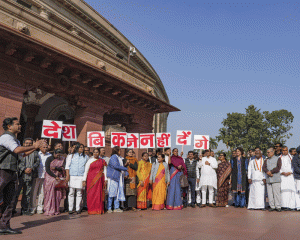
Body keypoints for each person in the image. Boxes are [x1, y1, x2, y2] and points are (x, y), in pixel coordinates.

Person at [0, 117, 45, 235]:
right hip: (2, 171)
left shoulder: (15, 140)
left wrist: (36, 147)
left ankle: (4, 226)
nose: (19, 126)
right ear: (9, 126)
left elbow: (22, 153)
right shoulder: (6, 137)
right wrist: (34, 146)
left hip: (11, 172)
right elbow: (17, 150)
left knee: (9, 200)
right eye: (17, 124)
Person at [13, 138, 40, 216]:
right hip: (20, 175)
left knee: (27, 193)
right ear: (23, 143)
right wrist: (24, 169)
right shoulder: (19, 152)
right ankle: (13, 209)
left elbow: (37, 162)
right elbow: (17, 162)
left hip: (30, 175)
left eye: (30, 143)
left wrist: (32, 168)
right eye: (27, 143)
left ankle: (24, 209)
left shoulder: (35, 152)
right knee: (16, 193)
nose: (28, 144)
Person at [82, 148, 107, 215]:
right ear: (93, 153)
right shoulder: (90, 161)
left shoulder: (102, 161)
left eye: (97, 152)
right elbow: (86, 171)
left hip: (99, 181)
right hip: (91, 181)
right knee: (91, 194)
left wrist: (106, 179)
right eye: (94, 152)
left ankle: (99, 210)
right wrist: (84, 180)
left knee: (99, 194)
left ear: (99, 153)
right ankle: (91, 209)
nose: (96, 154)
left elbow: (105, 170)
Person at [65, 144, 89, 214]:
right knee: (71, 192)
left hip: (81, 176)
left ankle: (78, 208)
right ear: (77, 148)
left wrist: (84, 179)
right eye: (81, 147)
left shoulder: (86, 157)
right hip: (72, 176)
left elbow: (86, 168)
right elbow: (67, 166)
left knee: (79, 193)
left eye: (82, 148)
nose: (82, 149)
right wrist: (67, 176)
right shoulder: (71, 156)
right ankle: (70, 208)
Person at [43, 149, 66, 216]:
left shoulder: (61, 159)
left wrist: (57, 168)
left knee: (57, 194)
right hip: (50, 178)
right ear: (54, 153)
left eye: (59, 155)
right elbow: (47, 169)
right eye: (57, 154)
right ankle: (49, 209)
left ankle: (56, 209)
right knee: (49, 194)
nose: (58, 156)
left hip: (58, 178)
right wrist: (54, 176)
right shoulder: (49, 158)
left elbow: (63, 168)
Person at [107, 146, 128, 213]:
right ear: (117, 151)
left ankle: (116, 207)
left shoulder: (119, 158)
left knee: (117, 193)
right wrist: (125, 169)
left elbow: (120, 166)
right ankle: (109, 208)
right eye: (119, 150)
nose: (120, 152)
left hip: (118, 177)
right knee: (112, 193)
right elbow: (115, 166)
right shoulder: (113, 157)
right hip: (113, 177)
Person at [31, 143, 51, 214]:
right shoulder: (37, 154)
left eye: (46, 147)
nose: (45, 148)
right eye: (43, 147)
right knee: (34, 192)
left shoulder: (49, 155)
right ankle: (33, 207)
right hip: (37, 175)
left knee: (42, 192)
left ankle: (40, 207)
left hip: (45, 176)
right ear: (40, 148)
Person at [262, 148, 282, 212]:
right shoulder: (266, 160)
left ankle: (278, 206)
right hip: (269, 179)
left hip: (275, 178)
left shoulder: (278, 158)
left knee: (276, 193)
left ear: (272, 152)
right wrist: (267, 172)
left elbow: (278, 167)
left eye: (269, 152)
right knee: (270, 194)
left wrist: (271, 172)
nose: (267, 154)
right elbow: (264, 167)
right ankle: (272, 206)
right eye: (267, 152)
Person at [279, 146, 296, 211]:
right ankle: (283, 205)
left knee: (290, 190)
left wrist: (290, 172)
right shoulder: (279, 158)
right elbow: (278, 167)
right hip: (282, 176)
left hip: (290, 176)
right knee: (283, 191)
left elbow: (294, 167)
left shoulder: (291, 158)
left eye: (285, 150)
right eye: (283, 150)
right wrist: (282, 172)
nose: (284, 152)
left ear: (287, 150)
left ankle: (290, 205)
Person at [292, 146, 300, 211]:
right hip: (298, 178)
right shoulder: (295, 158)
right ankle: (298, 206)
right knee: (298, 192)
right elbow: (296, 168)